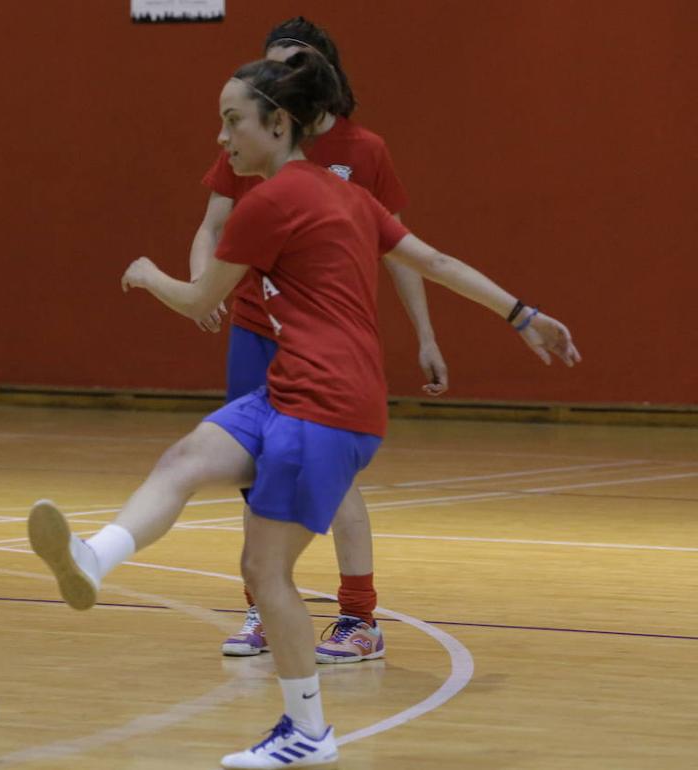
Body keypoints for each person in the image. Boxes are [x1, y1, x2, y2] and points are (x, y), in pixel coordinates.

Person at [30, 52, 579, 768]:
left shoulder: (269, 203)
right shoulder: (346, 195)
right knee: (188, 457)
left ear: (278, 123)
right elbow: (435, 262)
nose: (223, 138)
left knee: (266, 572)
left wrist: (146, 275)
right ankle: (92, 559)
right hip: (294, 389)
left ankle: (308, 732)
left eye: (233, 121)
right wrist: (522, 313)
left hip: (328, 403)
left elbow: (201, 301)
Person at [190, 17, 445, 663]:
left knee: (334, 480)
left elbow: (402, 253)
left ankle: (359, 616)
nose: (280, 78)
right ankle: (265, 603)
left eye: (294, 65)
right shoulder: (247, 137)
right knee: (258, 473)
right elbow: (212, 224)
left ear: (323, 75)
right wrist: (203, 288)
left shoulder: (365, 151)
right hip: (257, 328)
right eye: (272, 66)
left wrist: (425, 334)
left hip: (325, 341)